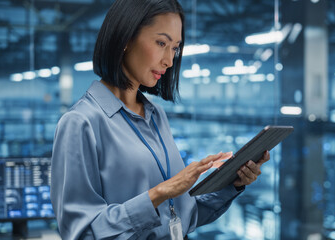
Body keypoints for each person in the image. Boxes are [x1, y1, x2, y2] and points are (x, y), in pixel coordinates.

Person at [50, 0, 270, 239]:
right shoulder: (81, 123)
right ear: (125, 39)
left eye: (175, 48)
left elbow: (184, 215)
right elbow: (81, 232)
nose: (169, 60)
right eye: (161, 43)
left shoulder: (156, 116)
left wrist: (232, 183)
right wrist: (160, 193)